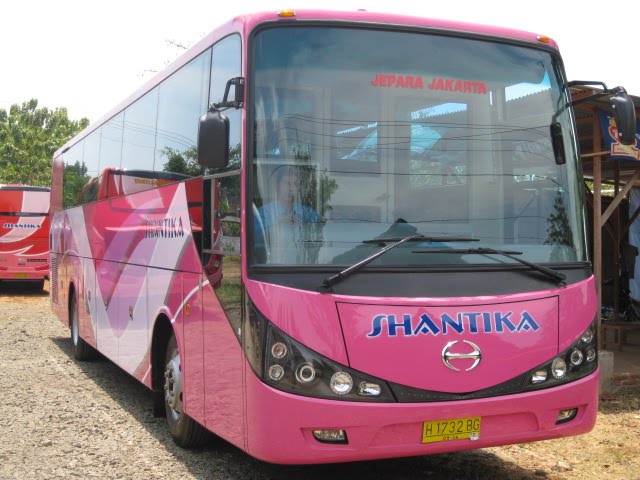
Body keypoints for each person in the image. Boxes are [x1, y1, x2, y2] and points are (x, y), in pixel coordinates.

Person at [254, 166, 322, 264]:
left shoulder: (307, 213)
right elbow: (256, 240)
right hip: (272, 265)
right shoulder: (264, 213)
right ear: (278, 186)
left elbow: (320, 228)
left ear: (298, 188)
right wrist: (278, 224)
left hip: (303, 265)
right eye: (286, 183)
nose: (290, 189)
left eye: (295, 184)